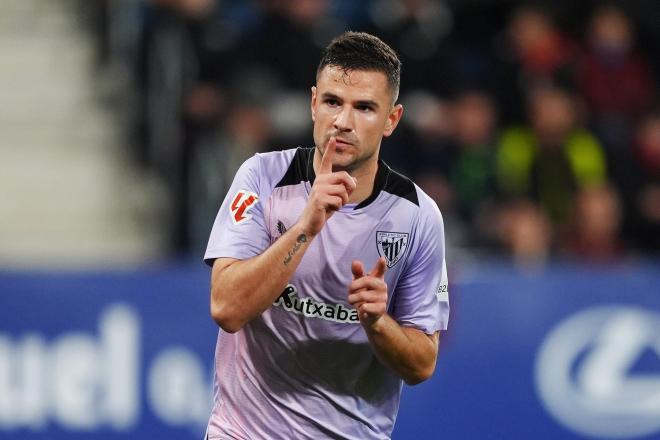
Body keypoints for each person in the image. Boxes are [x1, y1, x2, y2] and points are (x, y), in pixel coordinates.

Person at [203, 31, 450, 439]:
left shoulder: (418, 216)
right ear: (314, 102)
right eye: (333, 101)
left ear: (392, 120)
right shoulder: (263, 178)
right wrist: (305, 227)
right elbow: (226, 307)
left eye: (365, 107)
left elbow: (421, 364)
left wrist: (376, 323)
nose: (343, 122)